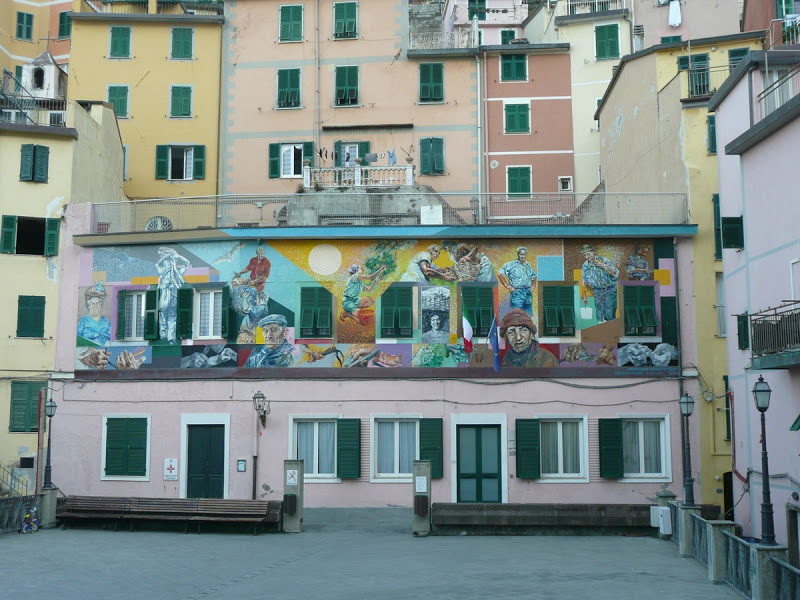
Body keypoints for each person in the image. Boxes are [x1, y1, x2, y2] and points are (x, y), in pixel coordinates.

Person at [156, 247, 191, 344]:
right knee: (162, 312)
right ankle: (163, 334)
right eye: (168, 261)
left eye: (170, 261)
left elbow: (187, 263)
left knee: (172, 315)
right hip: (165, 293)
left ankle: (171, 337)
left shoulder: (177, 273)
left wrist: (178, 257)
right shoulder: (162, 271)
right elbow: (158, 265)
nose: (170, 262)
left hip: (174, 294)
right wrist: (165, 258)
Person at [580, 244, 619, 322]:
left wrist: (604, 266)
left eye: (588, 254)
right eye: (585, 255)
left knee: (609, 312)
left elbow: (615, 273)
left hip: (609, 289)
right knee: (599, 312)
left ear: (593, 252)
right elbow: (583, 280)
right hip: (597, 291)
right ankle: (600, 330)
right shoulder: (585, 266)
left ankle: (610, 330)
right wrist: (584, 295)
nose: (587, 256)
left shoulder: (603, 260)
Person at [497, 247, 537, 314]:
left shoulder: (528, 266)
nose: (522, 256)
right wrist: (508, 286)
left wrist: (533, 287)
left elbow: (534, 276)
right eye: (521, 254)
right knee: (517, 314)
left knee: (528, 314)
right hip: (517, 293)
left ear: (526, 255)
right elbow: (500, 274)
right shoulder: (511, 265)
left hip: (527, 292)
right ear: (518, 254)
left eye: (524, 254)